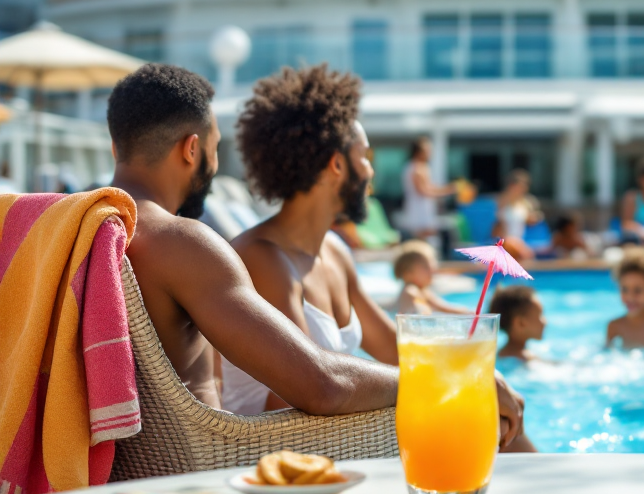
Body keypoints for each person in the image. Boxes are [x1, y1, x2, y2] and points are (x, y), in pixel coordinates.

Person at [107, 63, 525, 447]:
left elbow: (389, 347)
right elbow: (318, 387)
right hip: (223, 465)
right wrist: (453, 378)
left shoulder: (91, 229)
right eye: (216, 149)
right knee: (478, 415)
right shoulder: (190, 245)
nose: (374, 171)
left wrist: (468, 365)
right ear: (192, 149)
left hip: (157, 459)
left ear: (115, 148)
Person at [394, 240, 471, 315]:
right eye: (426, 267)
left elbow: (445, 308)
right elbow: (410, 293)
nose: (432, 270)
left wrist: (466, 312)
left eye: (431, 266)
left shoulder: (424, 292)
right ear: (408, 273)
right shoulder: (410, 290)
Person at [402, 136, 455, 241]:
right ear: (418, 152)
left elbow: (430, 187)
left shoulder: (423, 167)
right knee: (420, 238)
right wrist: (447, 192)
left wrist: (448, 189)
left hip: (425, 209)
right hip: (418, 210)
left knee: (425, 238)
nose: (430, 153)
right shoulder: (415, 168)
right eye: (427, 150)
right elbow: (423, 191)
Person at [493, 169, 544, 262]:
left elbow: (531, 220)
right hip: (504, 240)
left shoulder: (524, 203)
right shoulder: (502, 201)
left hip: (518, 241)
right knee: (527, 256)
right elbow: (497, 225)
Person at [489, 285, 547, 361]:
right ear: (521, 323)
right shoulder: (525, 358)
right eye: (540, 315)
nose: (545, 322)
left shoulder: (500, 353)